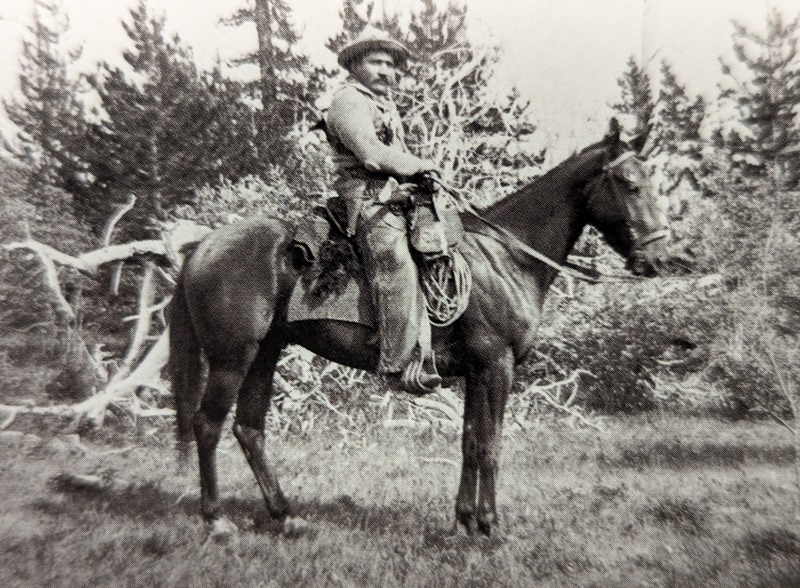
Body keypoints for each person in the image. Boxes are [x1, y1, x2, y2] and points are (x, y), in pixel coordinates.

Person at [323, 26, 441, 393]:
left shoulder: (382, 104)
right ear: (355, 64)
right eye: (377, 63)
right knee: (394, 259)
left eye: (391, 65)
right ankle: (397, 364)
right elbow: (372, 155)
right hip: (366, 197)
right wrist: (421, 165)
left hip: (395, 195)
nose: (387, 72)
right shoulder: (347, 100)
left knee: (447, 240)